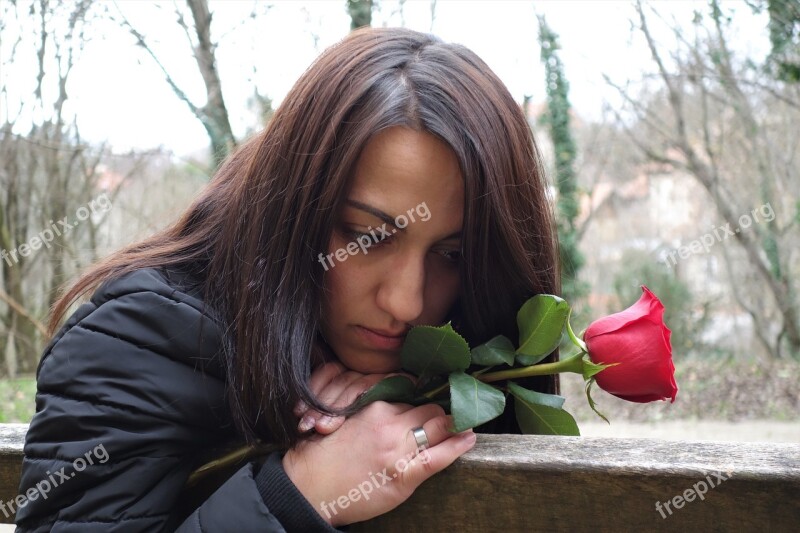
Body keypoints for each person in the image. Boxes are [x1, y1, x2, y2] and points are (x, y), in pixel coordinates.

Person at [15, 26, 559, 531]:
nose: (406, 302)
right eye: (364, 235)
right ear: (295, 208)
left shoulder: (485, 359)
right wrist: (297, 493)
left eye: (454, 254)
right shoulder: (133, 347)